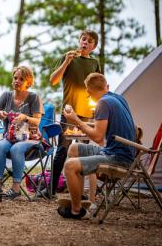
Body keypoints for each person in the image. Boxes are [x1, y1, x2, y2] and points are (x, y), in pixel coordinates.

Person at [57, 73, 136, 219]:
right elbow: (103, 125)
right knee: (74, 148)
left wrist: (77, 121)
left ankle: (76, 211)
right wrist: (83, 123)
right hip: (120, 152)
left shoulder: (102, 103)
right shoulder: (118, 98)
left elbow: (98, 138)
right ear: (106, 86)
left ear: (88, 91)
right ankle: (79, 198)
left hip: (118, 158)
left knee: (69, 166)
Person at [38, 30, 101, 199]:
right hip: (69, 112)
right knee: (63, 150)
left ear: (94, 46)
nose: (85, 42)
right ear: (79, 41)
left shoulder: (95, 63)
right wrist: (67, 61)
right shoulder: (68, 57)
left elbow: (99, 87)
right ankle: (51, 189)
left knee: (83, 152)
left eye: (90, 41)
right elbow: (53, 80)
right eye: (83, 39)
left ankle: (80, 192)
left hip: (87, 114)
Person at [0, 66, 44, 200]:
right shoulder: (6, 96)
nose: (17, 81)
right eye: (15, 78)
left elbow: (37, 122)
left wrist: (25, 117)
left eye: (21, 79)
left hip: (29, 138)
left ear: (29, 82)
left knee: (16, 149)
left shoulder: (34, 97)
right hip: (10, 136)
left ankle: (16, 189)